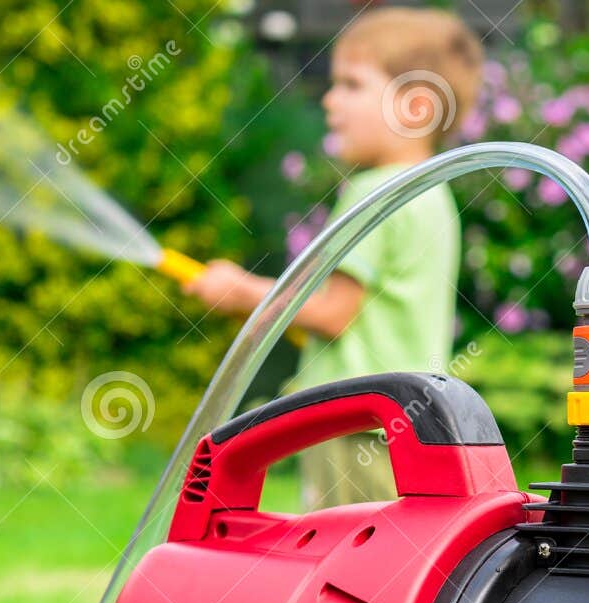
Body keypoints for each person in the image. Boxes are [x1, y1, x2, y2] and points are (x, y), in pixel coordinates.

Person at [183, 7, 482, 507]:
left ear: (416, 106)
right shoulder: (433, 194)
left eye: (351, 84)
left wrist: (240, 293)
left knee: (344, 558)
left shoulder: (375, 191)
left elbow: (333, 313)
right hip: (409, 419)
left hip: (354, 420)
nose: (329, 99)